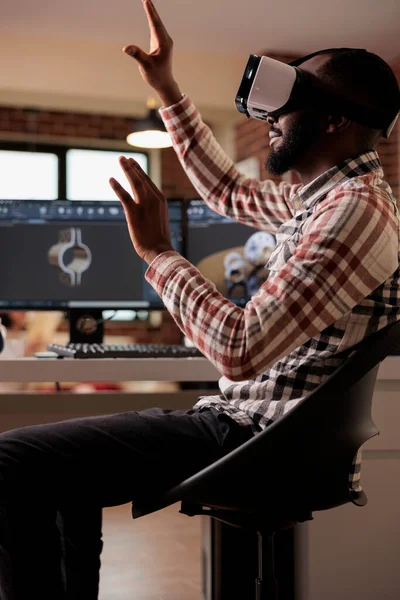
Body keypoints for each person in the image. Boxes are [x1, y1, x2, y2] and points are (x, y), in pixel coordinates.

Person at [0, 0, 399, 597]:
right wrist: (167, 89)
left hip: (261, 437)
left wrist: (159, 254)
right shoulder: (327, 199)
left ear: (337, 120)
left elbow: (239, 350)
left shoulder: (354, 212)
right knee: (60, 476)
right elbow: (228, 192)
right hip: (249, 427)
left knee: (10, 465)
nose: (272, 119)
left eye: (289, 104)